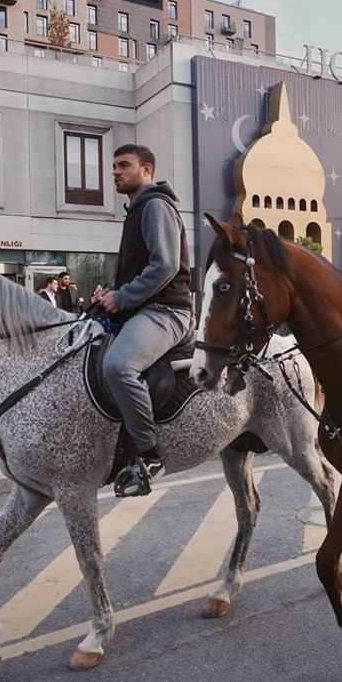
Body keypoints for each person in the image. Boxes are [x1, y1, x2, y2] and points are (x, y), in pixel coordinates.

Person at [96, 144, 194, 498]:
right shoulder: (136, 210)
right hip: (142, 310)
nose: (116, 172)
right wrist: (110, 293)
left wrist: (121, 297)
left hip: (167, 312)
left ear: (147, 169)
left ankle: (151, 457)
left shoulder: (154, 205)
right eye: (113, 167)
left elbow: (165, 266)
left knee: (118, 366)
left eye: (124, 165)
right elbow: (139, 270)